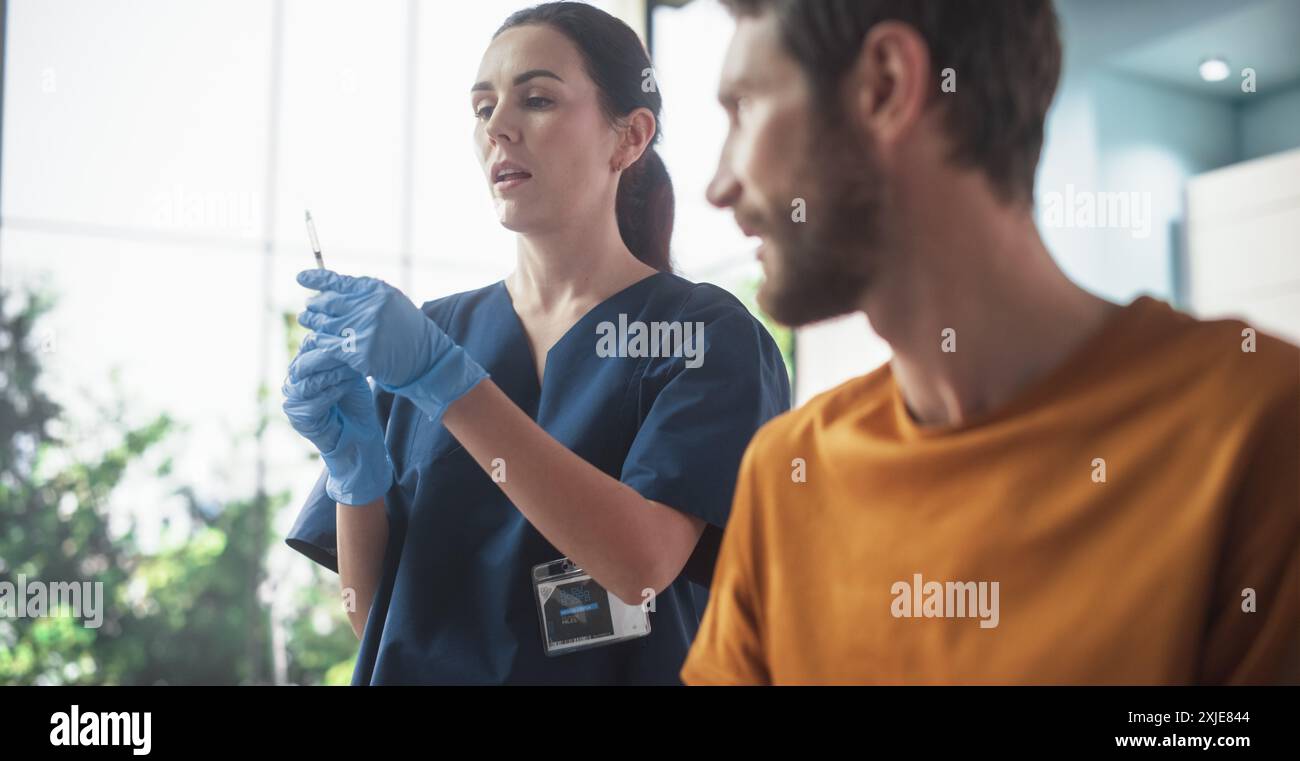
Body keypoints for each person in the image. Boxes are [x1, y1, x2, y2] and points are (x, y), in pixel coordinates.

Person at [682, 0, 1299, 684]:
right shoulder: (785, 473)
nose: (719, 185)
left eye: (743, 108)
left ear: (884, 85)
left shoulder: (1262, 429)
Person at [281, 1, 790, 685]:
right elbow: (377, 616)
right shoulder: (430, 334)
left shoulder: (704, 336)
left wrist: (447, 383)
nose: (499, 126)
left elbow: (639, 570)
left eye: (538, 98)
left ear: (629, 138)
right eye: (482, 107)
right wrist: (353, 475)